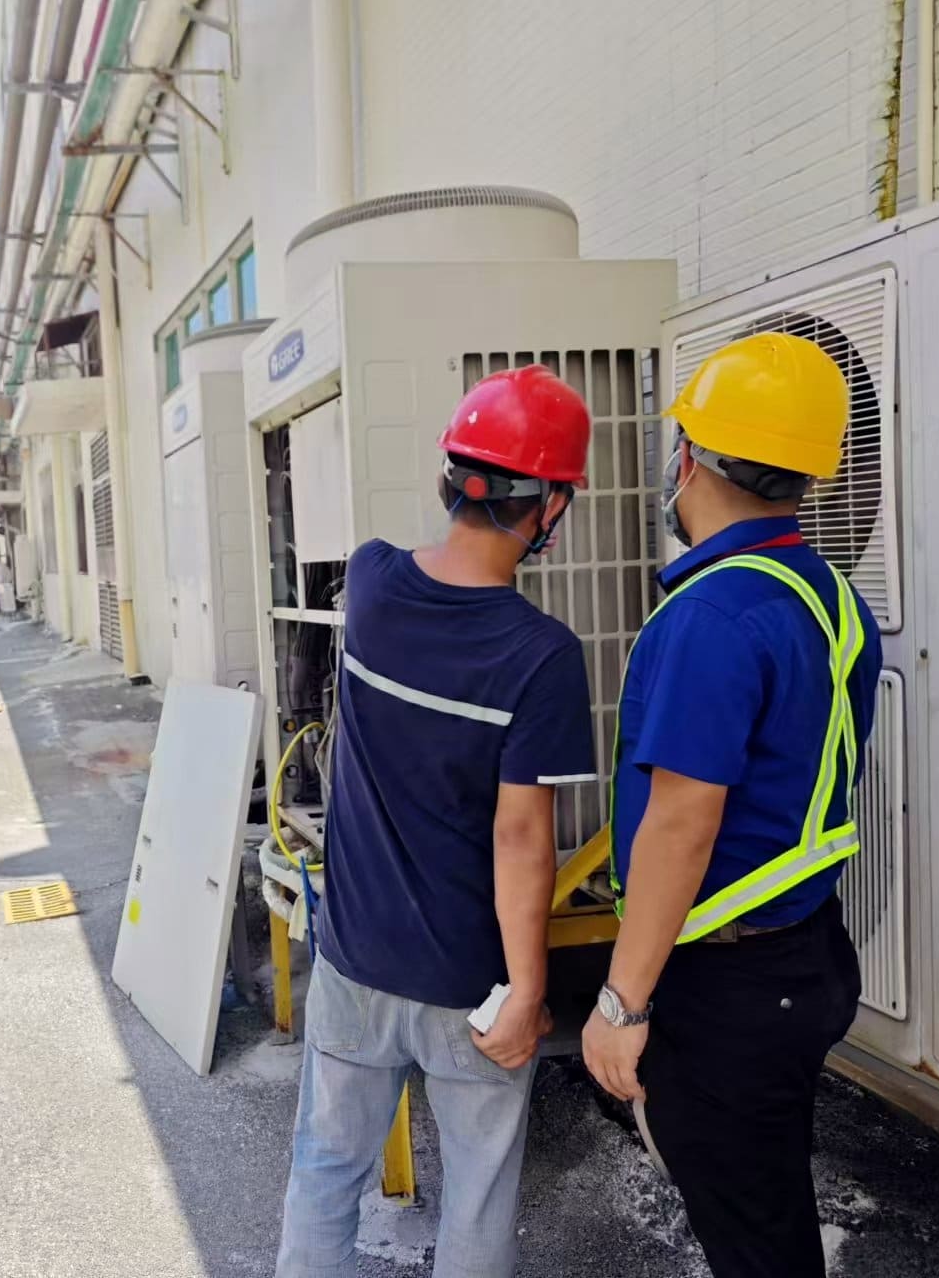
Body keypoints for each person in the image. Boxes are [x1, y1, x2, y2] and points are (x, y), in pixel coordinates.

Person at [276, 366, 598, 1278]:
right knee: (477, 1195)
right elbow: (521, 839)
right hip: (471, 983)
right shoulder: (541, 656)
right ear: (550, 507)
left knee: (326, 1169)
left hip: (355, 959)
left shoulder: (372, 578)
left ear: (451, 476)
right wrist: (529, 989)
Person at [581, 333, 883, 1278]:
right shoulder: (830, 596)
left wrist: (621, 1003)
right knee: (765, 1193)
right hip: (805, 954)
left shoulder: (709, 617)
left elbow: (682, 823)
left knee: (757, 1238)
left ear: (690, 458)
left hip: (729, 985)